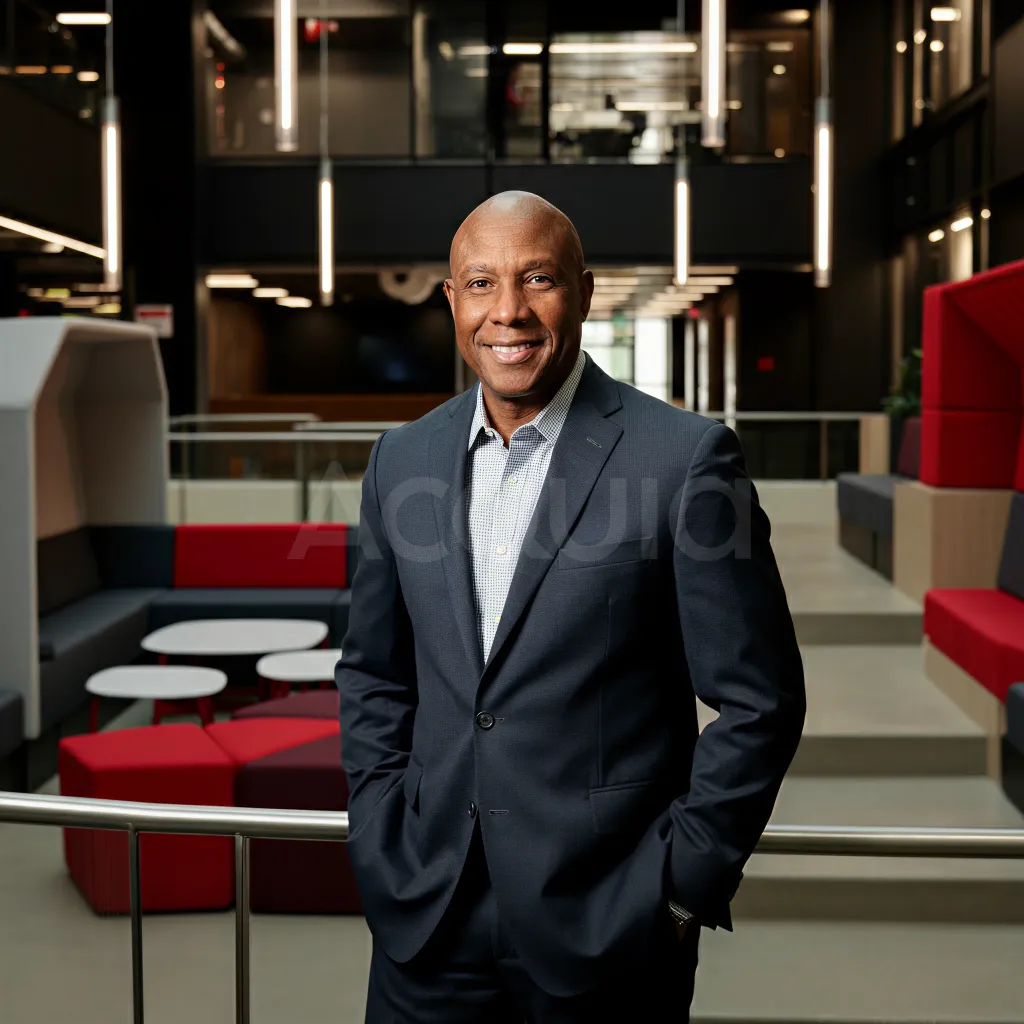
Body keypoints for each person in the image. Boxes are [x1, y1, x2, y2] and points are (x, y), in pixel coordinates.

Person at [337, 191, 806, 1023]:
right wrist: (380, 834)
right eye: (481, 283)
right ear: (452, 300)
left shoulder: (686, 460)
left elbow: (760, 701)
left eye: (538, 278)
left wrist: (679, 888)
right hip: (426, 918)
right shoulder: (400, 459)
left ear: (584, 293)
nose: (508, 311)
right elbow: (373, 672)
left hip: (608, 929)